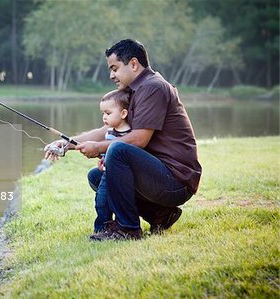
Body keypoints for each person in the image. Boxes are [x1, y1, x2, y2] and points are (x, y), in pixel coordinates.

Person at [45, 38, 202, 241]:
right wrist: (68, 144)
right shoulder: (135, 90)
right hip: (160, 176)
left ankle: (128, 229)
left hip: (176, 181)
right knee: (98, 177)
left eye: (115, 68)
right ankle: (161, 215)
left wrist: (99, 148)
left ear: (134, 64)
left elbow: (139, 139)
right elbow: (106, 130)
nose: (111, 75)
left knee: (117, 151)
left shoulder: (152, 87)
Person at [91, 89, 132, 233]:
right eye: (103, 113)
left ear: (123, 114)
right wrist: (101, 157)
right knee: (101, 202)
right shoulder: (110, 132)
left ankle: (114, 227)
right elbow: (106, 151)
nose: (104, 117)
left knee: (113, 202)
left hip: (122, 177)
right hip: (107, 175)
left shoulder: (130, 134)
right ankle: (102, 229)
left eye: (108, 113)